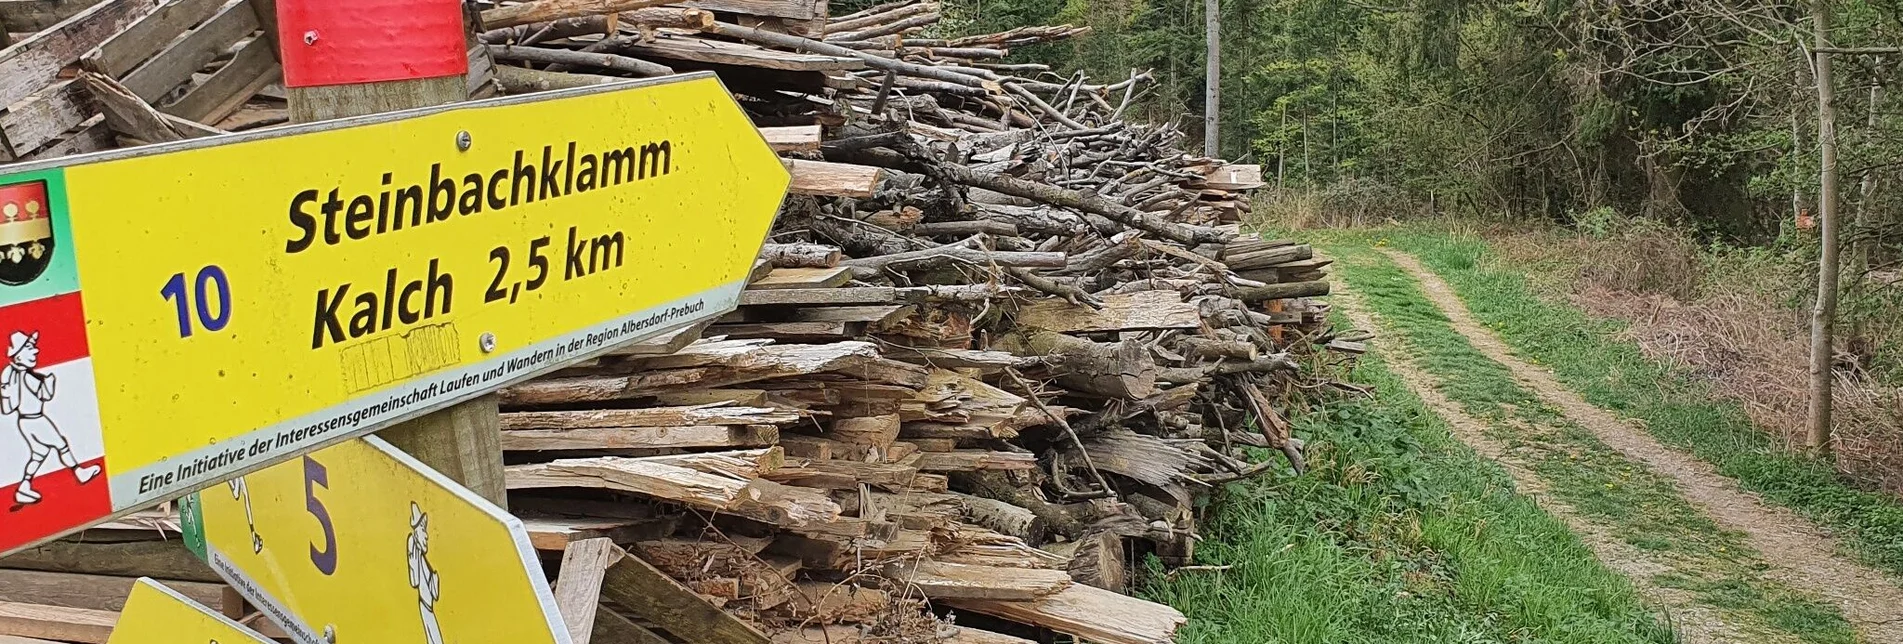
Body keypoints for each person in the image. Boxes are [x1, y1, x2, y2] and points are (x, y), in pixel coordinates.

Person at [3, 330, 96, 504]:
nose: (36, 351)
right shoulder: (24, 376)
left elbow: (31, 397)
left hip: (25, 421)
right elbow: (44, 395)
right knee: (61, 444)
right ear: (18, 355)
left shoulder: (15, 374)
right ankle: (79, 472)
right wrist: (49, 383)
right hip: (35, 420)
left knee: (39, 454)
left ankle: (24, 486)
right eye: (30, 347)